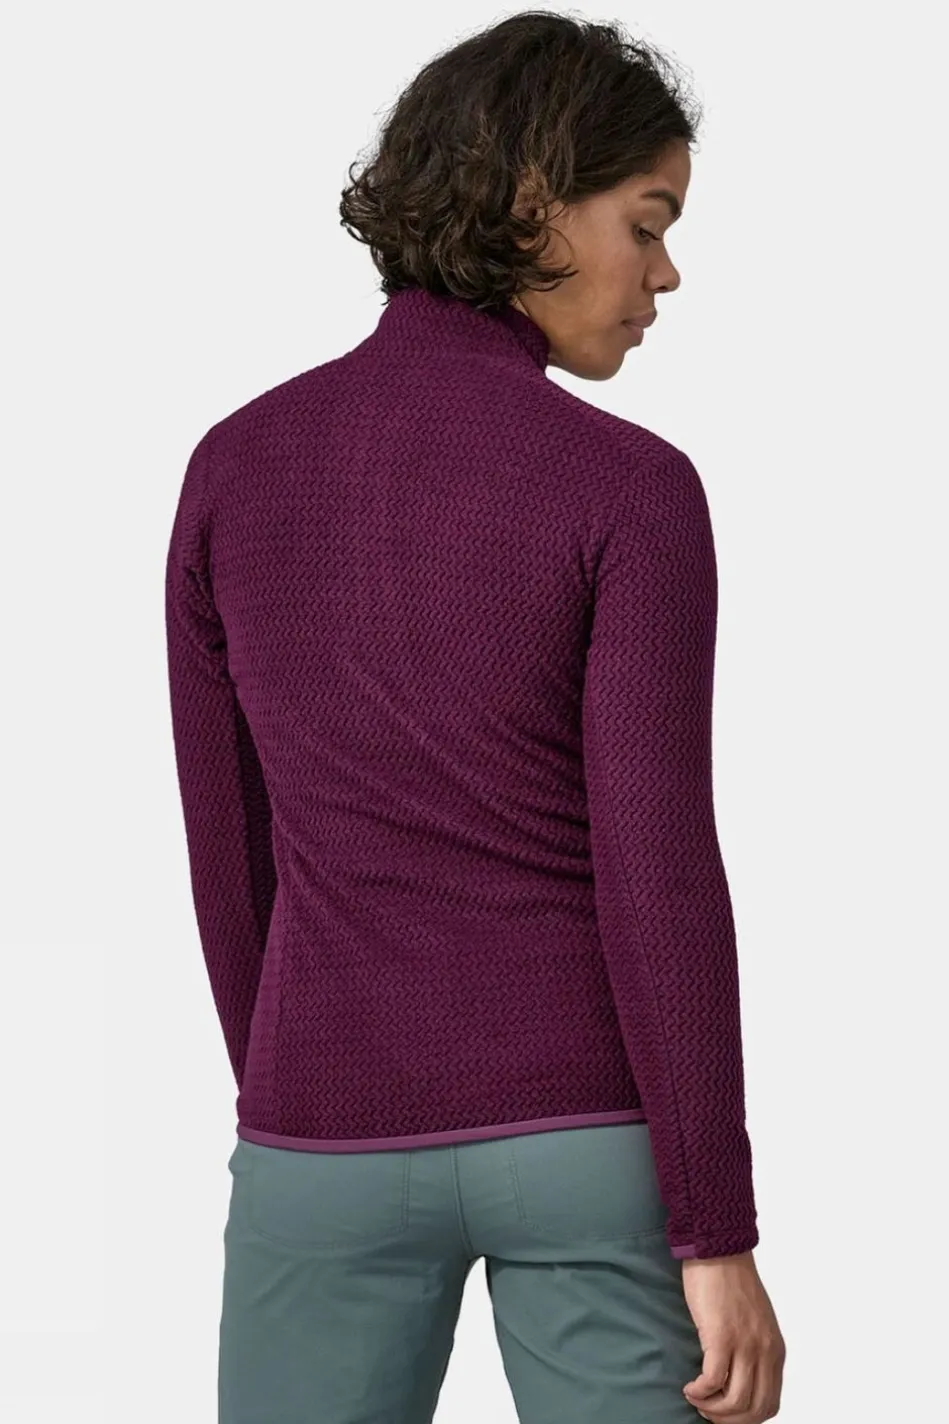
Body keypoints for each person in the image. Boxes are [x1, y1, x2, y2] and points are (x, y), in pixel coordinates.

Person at [164, 11, 786, 1423]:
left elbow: (231, 854)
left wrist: (302, 1108)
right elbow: (658, 866)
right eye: (648, 223)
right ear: (531, 203)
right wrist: (716, 1228)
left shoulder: (234, 467)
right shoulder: (629, 486)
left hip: (320, 1123)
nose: (667, 273)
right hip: (586, 1131)